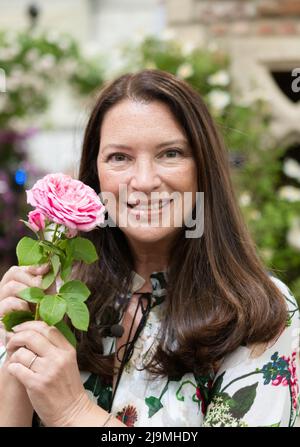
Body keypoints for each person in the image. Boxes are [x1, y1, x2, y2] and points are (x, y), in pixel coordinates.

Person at [0, 69, 299, 427]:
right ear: (96, 175)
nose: (143, 181)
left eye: (170, 153)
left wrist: (73, 412)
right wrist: (17, 340)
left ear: (203, 169)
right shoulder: (63, 296)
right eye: (119, 158)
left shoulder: (260, 312)